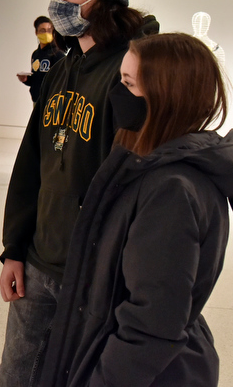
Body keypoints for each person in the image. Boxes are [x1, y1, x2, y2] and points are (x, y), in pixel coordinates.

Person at [0, 0, 158, 387]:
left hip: (95, 272)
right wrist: (14, 250)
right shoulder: (64, 66)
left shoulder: (131, 73)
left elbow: (136, 181)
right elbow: (33, 162)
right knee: (16, 377)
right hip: (39, 260)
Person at [35, 32, 232, 387]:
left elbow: (152, 323)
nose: (116, 94)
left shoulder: (171, 191)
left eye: (128, 83)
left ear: (165, 94)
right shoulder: (147, 167)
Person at [17, 16, 66, 102]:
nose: (46, 33)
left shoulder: (58, 54)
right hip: (37, 100)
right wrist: (26, 79)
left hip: (51, 102)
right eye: (43, 30)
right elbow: (36, 80)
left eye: (49, 30)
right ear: (36, 32)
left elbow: (62, 80)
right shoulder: (35, 54)